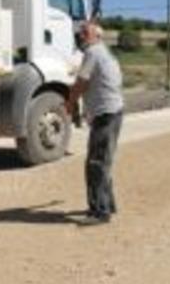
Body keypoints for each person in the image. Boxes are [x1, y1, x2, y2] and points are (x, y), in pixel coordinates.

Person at [66, 22, 124, 225]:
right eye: (81, 33)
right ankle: (108, 204)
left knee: (96, 163)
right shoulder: (104, 52)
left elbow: (81, 82)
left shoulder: (92, 53)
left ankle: (100, 211)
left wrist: (69, 103)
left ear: (96, 36)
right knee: (104, 161)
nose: (81, 36)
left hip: (106, 114)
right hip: (114, 111)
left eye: (85, 33)